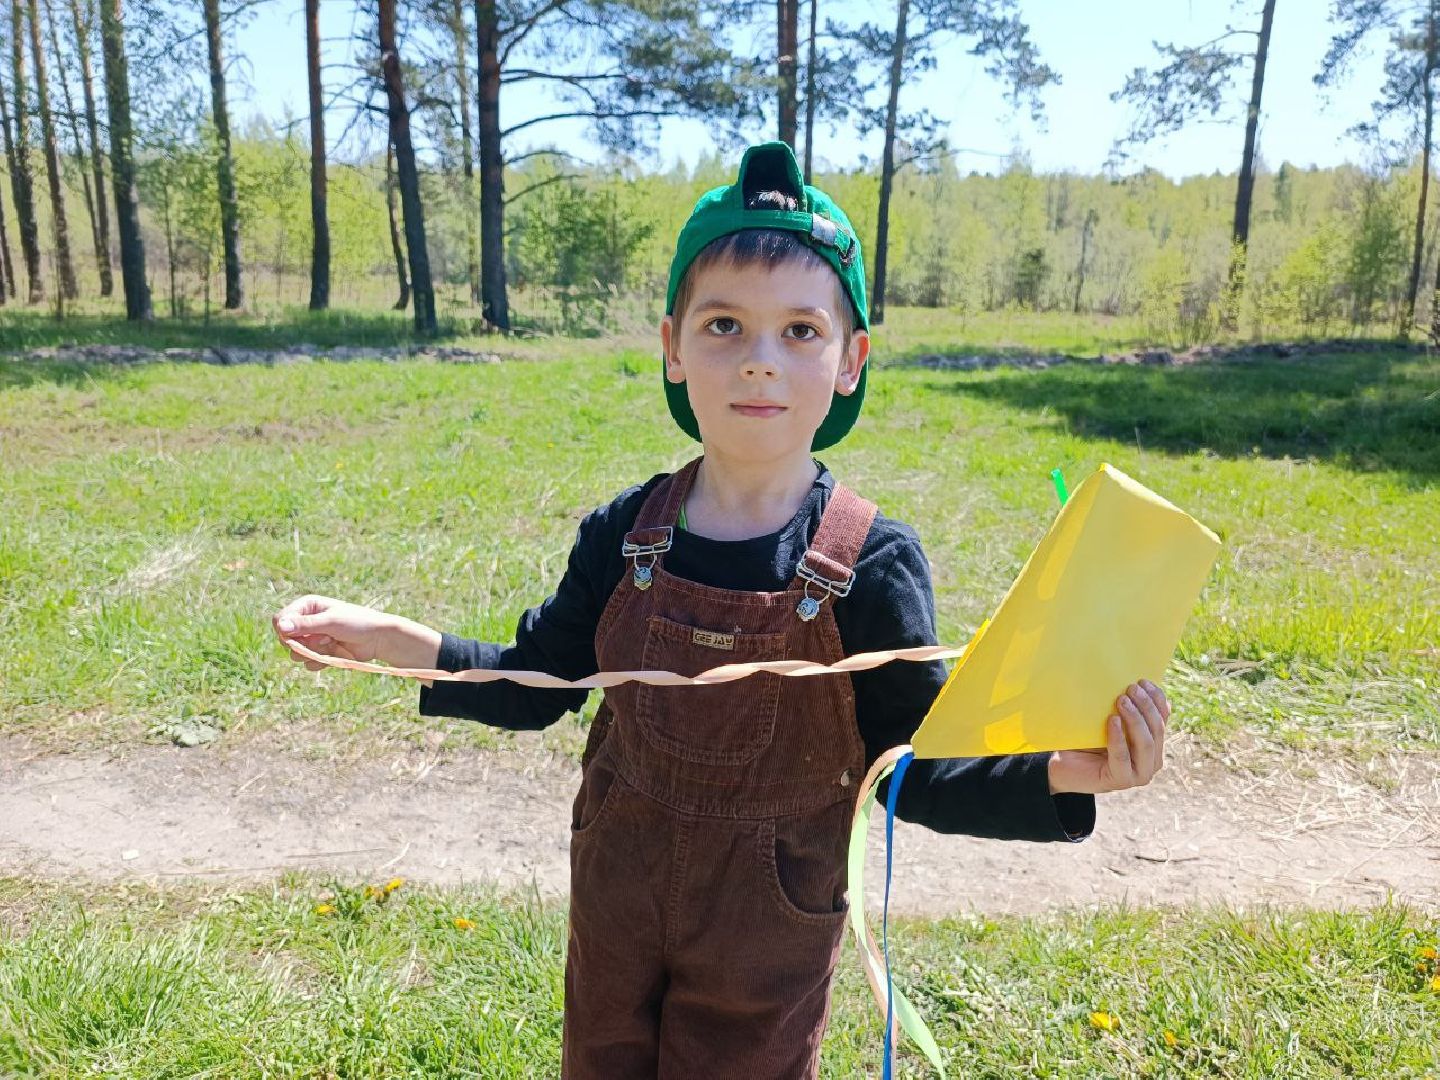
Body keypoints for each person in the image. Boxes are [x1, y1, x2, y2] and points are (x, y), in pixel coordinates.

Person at [272, 141, 1172, 1080]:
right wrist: (395, 641)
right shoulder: (625, 535)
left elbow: (919, 771)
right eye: (725, 325)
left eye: (801, 331)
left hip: (767, 943)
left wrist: (1070, 774)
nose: (759, 363)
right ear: (673, 345)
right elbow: (539, 683)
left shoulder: (872, 564)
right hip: (615, 906)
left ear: (852, 359)